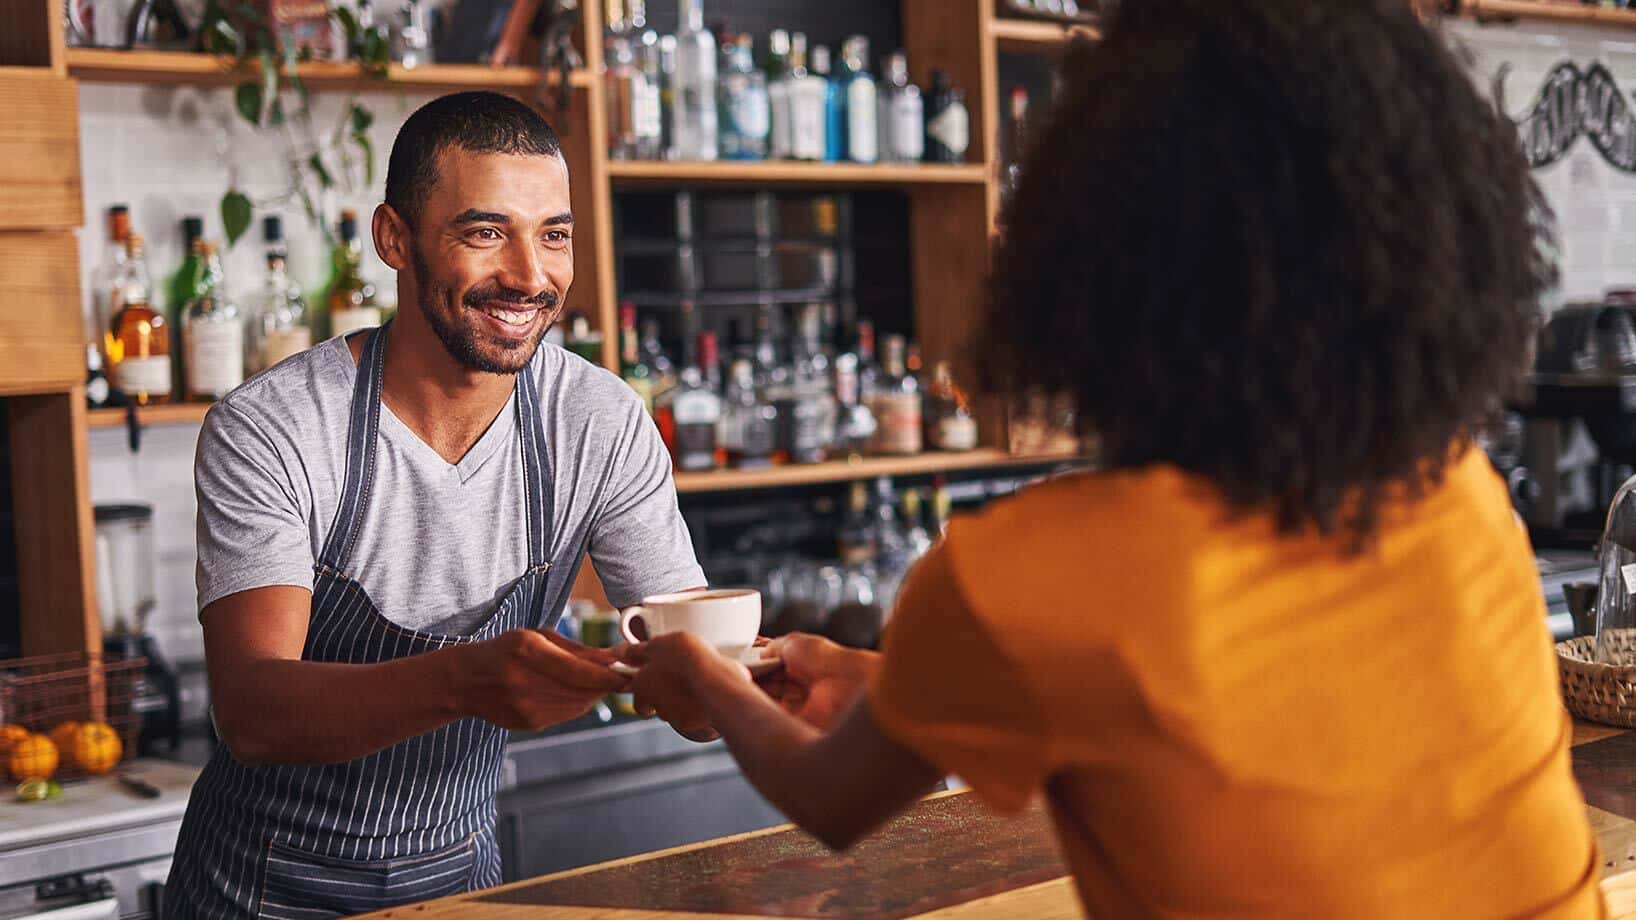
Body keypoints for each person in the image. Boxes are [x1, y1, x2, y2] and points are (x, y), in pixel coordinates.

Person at [622, 2, 1606, 917]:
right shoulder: (1453, 488)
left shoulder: (1027, 571)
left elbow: (828, 792)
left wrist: (702, 673)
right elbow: (1229, 708)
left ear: (1089, 257)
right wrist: (885, 679)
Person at [165, 92, 703, 918]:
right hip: (259, 886)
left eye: (553, 235)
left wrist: (741, 680)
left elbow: (690, 661)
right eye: (486, 232)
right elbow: (254, 710)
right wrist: (465, 680)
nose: (530, 276)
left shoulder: (599, 421)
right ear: (394, 239)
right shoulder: (273, 425)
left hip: (459, 878)